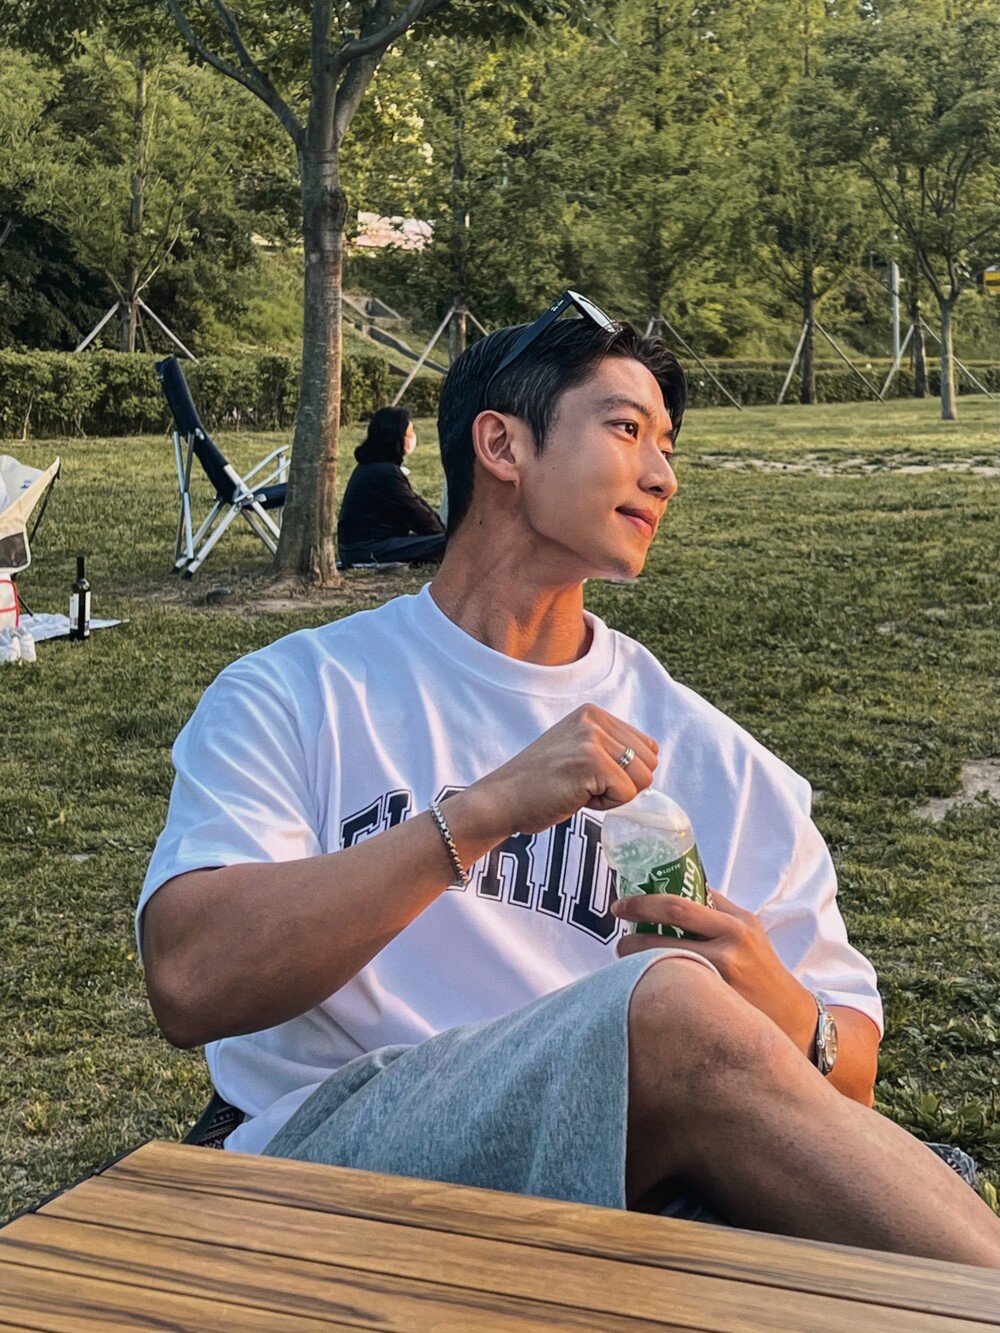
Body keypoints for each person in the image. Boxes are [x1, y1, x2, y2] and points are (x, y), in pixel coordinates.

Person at [138, 292, 1000, 1267]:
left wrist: (771, 995)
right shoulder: (300, 692)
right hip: (338, 1166)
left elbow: (848, 1089)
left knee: (730, 1071)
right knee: (667, 1011)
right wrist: (481, 812)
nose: (663, 474)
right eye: (626, 429)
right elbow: (190, 980)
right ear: (502, 446)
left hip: (626, 1181)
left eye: (667, 445)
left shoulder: (717, 757)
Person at [336, 405, 446, 566]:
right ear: (396, 438)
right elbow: (416, 514)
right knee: (450, 543)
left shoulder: (376, 467)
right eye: (409, 435)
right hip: (366, 550)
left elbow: (416, 504)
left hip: (363, 547)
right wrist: (444, 536)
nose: (412, 439)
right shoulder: (384, 473)